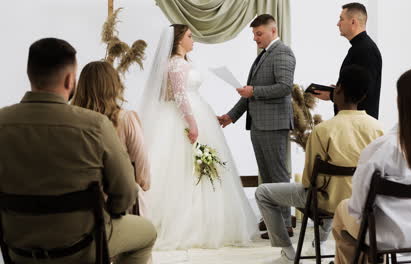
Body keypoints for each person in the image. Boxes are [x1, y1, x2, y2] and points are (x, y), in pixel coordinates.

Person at [0, 38, 156, 264]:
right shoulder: (95, 125)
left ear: (30, 74)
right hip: (82, 247)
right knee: (147, 233)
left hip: (20, 249)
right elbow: (125, 194)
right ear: (69, 80)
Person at [139, 24, 257, 250]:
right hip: (184, 118)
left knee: (200, 169)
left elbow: (188, 95)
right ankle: (185, 224)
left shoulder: (181, 62)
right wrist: (193, 124)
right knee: (184, 169)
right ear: (178, 41)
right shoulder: (175, 63)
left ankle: (206, 221)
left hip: (196, 111)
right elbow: (181, 97)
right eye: (189, 36)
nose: (193, 40)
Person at [332, 67, 411, 264]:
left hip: (385, 237)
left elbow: (359, 207)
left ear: (401, 101)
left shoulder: (383, 148)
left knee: (344, 211)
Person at [255, 65, 383, 264]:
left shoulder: (323, 130)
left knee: (263, 192)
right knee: (336, 187)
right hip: (364, 202)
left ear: (338, 90)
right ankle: (319, 244)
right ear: (365, 95)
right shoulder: (378, 129)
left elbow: (309, 181)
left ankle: (288, 250)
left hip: (327, 202)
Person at [217, 14, 296, 237]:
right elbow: (250, 93)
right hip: (260, 125)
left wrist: (254, 91)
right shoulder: (263, 55)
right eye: (253, 34)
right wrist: (231, 116)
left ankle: (285, 224)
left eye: (258, 33)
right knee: (267, 177)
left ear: (273, 30)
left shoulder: (282, 52)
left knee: (278, 176)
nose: (255, 38)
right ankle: (274, 222)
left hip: (273, 125)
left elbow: (285, 87)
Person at [72, 61, 151, 218]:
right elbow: (142, 170)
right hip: (119, 208)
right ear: (115, 86)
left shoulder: (70, 121)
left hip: (79, 207)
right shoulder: (126, 119)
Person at [314, 2, 382, 119]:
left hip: (358, 127)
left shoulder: (365, 50)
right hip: (355, 124)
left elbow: (362, 92)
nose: (337, 24)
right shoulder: (361, 48)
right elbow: (356, 86)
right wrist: (339, 90)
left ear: (353, 22)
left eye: (341, 19)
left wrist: (332, 95)